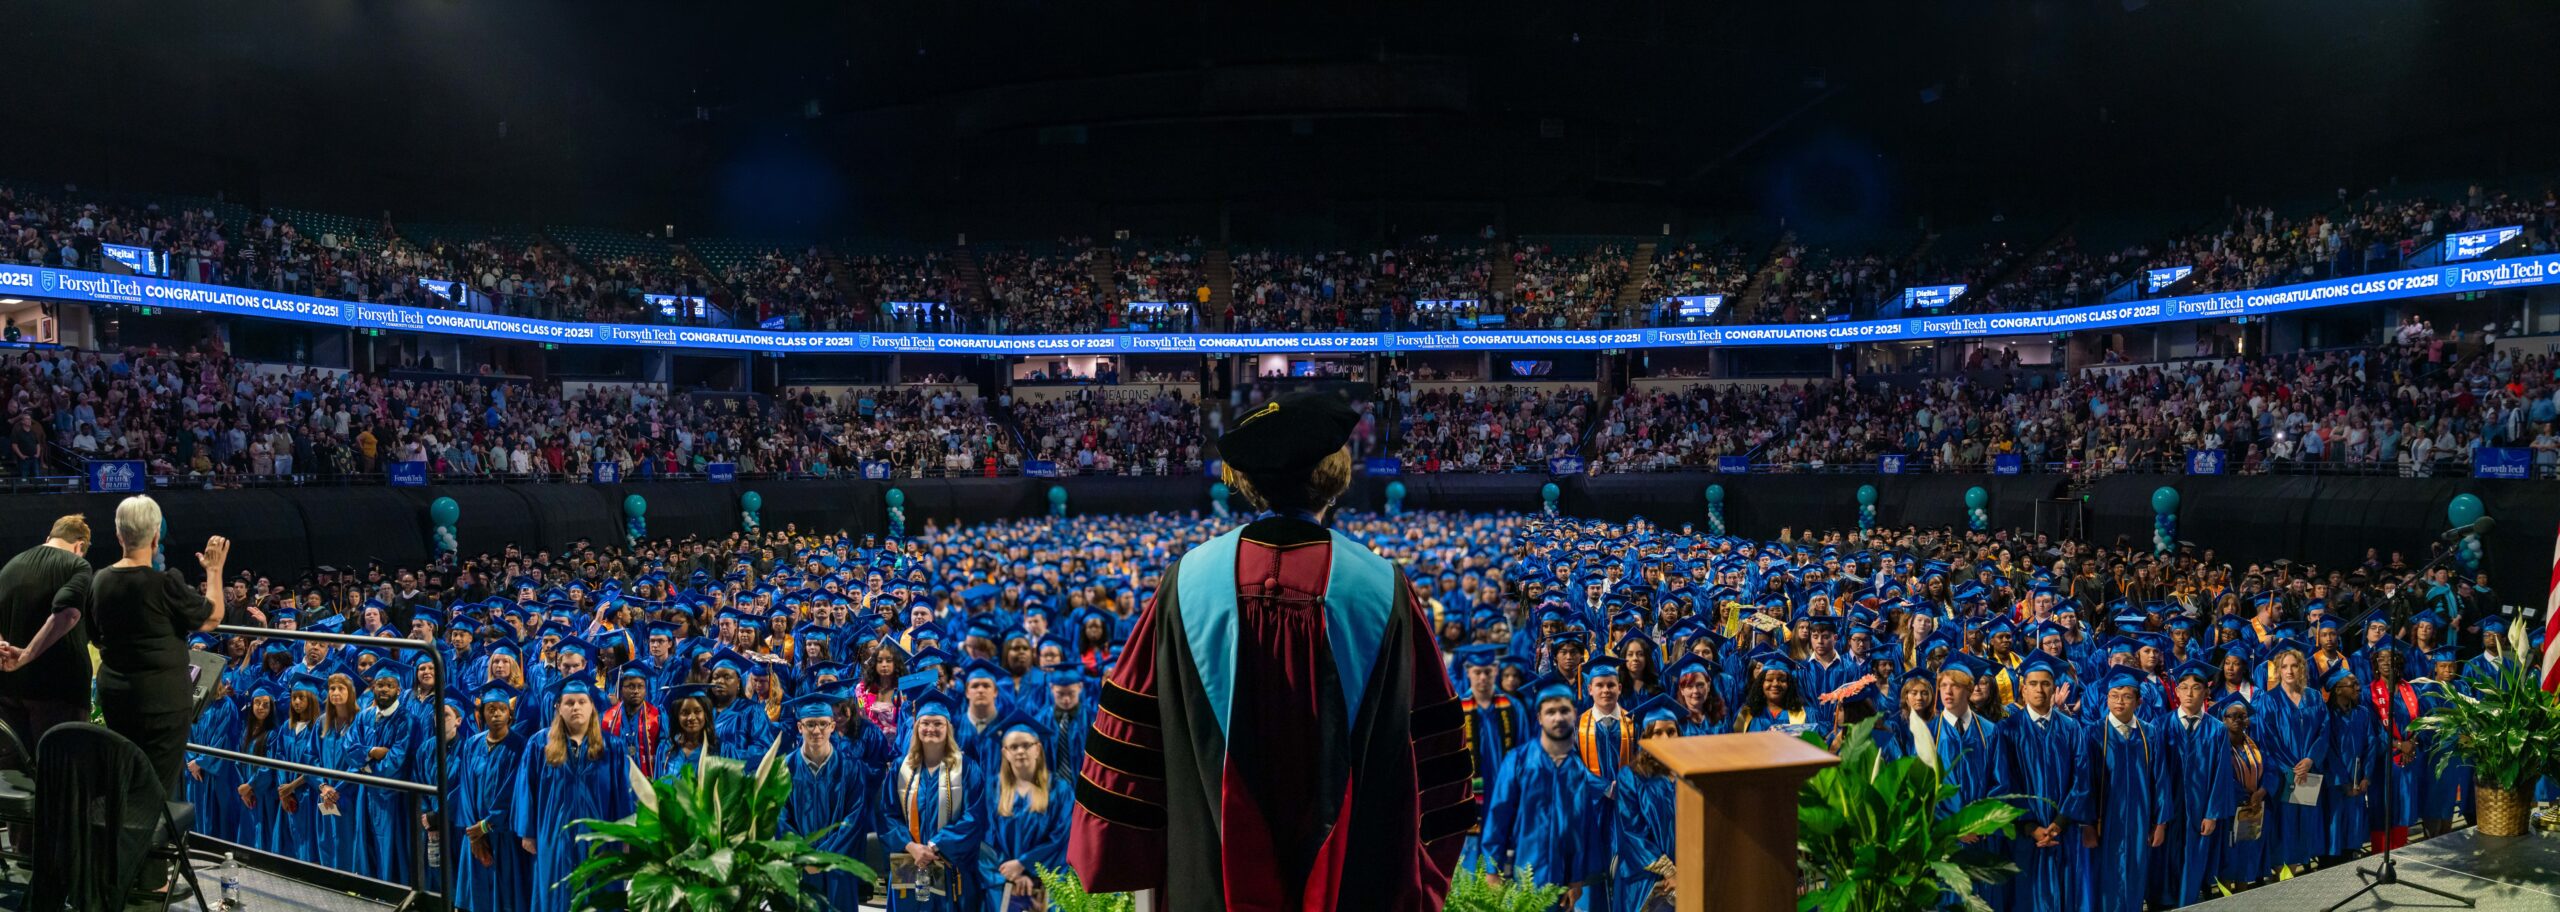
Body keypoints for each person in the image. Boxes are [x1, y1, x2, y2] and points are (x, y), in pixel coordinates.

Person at [1067, 393, 1474, 911]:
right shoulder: (1381, 588)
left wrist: (1132, 855)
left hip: (1209, 878)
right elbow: (1433, 747)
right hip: (1357, 877)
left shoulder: (1186, 583)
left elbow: (1132, 735)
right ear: (1332, 477)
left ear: (1249, 483)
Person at [92, 496, 257, 791]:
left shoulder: (100, 580)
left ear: (119, 535)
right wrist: (215, 570)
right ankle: (151, 835)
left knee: (125, 774)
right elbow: (212, 617)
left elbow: (94, 634)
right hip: (162, 703)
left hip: (115, 694)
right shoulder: (164, 583)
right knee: (158, 784)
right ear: (156, 537)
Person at [1478, 675, 1606, 905]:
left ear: (1574, 714)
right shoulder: (1518, 761)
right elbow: (1498, 817)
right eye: (1550, 712)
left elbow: (1582, 826)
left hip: (1562, 878)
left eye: (1564, 711)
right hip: (1521, 873)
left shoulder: (1576, 768)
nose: (1558, 718)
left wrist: (1576, 880)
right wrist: (1492, 869)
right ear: (1539, 717)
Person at [510, 677, 633, 912]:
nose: (575, 707)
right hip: (553, 835)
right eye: (569, 702)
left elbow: (624, 793)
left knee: (600, 892)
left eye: (581, 702)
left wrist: (625, 834)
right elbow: (526, 789)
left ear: (592, 707)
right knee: (556, 893)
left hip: (600, 837)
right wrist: (527, 832)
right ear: (558, 708)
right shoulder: (539, 745)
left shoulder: (612, 746)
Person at [1994, 654, 2088, 912]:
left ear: (2054, 688)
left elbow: (2081, 780)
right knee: (2026, 898)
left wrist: (2059, 822)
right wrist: (2031, 826)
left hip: (2064, 833)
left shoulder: (2071, 728)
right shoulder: (2007, 730)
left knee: (2067, 896)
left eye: (2045, 683)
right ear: (2022, 689)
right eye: (2032, 683)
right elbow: (2005, 783)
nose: (2039, 689)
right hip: (2025, 837)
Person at [0, 515, 97, 756]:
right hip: (59, 692)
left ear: (49, 538)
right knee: (60, 773)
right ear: (79, 546)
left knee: (15, 778)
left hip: (9, 690)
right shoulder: (77, 565)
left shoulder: (11, 565)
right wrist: (26, 654)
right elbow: (68, 613)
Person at [777, 692, 876, 911]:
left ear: (832, 726)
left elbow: (854, 820)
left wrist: (823, 858)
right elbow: (779, 817)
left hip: (836, 866)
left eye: (822, 724)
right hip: (798, 866)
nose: (816, 731)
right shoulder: (784, 768)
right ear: (799, 727)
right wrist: (803, 855)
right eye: (810, 724)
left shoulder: (850, 768)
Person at [2087, 666, 2170, 912]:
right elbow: (2085, 783)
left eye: (2126, 697)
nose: (2119, 702)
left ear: (2139, 701)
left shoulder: (2150, 734)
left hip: (2140, 820)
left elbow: (2160, 779)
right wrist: (2087, 824)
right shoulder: (2092, 733)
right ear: (2106, 698)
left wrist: (2161, 822)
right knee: (2104, 875)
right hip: (2105, 821)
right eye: (2114, 696)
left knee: (2135, 872)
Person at [976, 708, 1074, 912]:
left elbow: (1062, 838)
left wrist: (1024, 864)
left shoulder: (1060, 790)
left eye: (1026, 745)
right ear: (1005, 753)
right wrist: (1011, 871)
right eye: (1013, 746)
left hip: (1047, 885)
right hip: (1002, 885)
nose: (1020, 751)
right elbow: (983, 838)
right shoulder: (992, 790)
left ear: (1038, 749)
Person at [452, 683, 530, 912]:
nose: (496, 713)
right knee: (475, 896)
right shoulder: (472, 744)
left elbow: (514, 792)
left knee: (503, 894)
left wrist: (487, 825)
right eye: (490, 709)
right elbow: (465, 788)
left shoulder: (519, 746)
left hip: (502, 834)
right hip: (474, 834)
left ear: (510, 714)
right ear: (482, 713)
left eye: (501, 709)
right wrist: (474, 834)